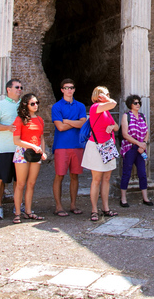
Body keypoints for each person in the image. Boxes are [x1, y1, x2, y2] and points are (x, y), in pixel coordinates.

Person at [81, 86, 119, 221]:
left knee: (107, 179)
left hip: (108, 146)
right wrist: (108, 99)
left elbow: (117, 126)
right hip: (97, 146)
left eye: (108, 94)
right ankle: (94, 210)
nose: (108, 96)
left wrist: (111, 127)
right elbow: (114, 103)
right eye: (105, 94)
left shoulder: (107, 111)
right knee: (96, 179)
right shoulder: (95, 107)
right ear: (98, 96)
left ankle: (106, 208)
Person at [50, 78, 87, 217]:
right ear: (62, 90)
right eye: (66, 87)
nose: (69, 90)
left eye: (71, 87)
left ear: (74, 89)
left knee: (74, 176)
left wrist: (67, 121)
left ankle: (73, 205)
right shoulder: (57, 106)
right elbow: (59, 127)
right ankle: (58, 206)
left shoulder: (80, 106)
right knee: (59, 175)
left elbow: (83, 124)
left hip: (77, 145)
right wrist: (75, 122)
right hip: (61, 146)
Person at [0, 78, 22, 220]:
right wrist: (7, 127)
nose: (19, 89)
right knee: (0, 179)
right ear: (9, 89)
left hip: (20, 148)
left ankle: (17, 206)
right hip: (5, 148)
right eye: (17, 87)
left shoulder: (24, 105)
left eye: (21, 87)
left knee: (18, 181)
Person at [12, 93, 48, 224]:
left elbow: (42, 138)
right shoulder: (19, 119)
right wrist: (33, 146)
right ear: (25, 105)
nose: (36, 105)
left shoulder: (39, 119)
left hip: (36, 152)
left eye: (37, 103)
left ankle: (28, 211)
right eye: (32, 103)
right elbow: (16, 140)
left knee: (31, 184)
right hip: (23, 152)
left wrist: (43, 152)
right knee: (20, 184)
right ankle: (17, 212)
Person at [119, 94, 153, 207]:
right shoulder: (126, 116)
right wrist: (138, 144)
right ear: (130, 105)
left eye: (139, 102)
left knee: (143, 173)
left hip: (141, 149)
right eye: (135, 103)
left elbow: (147, 131)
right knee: (126, 173)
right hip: (130, 148)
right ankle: (123, 198)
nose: (137, 104)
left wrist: (144, 144)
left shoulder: (143, 116)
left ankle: (145, 197)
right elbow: (125, 134)